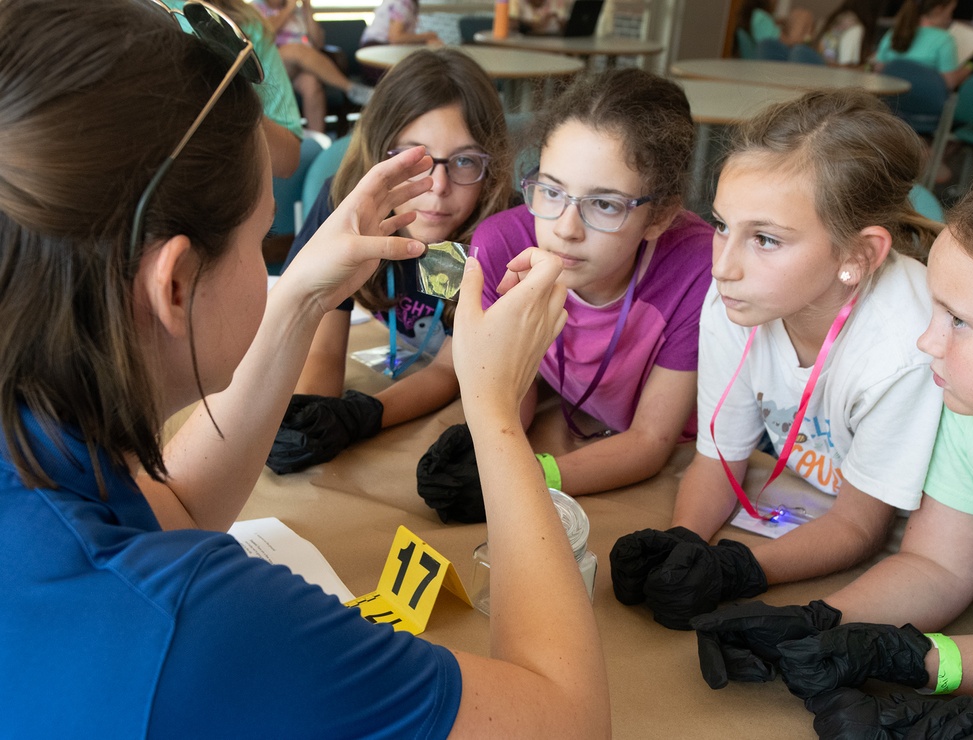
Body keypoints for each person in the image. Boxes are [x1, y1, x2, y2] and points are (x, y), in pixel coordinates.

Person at [0, 1, 612, 735]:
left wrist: (299, 296)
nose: (273, 265)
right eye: (265, 239)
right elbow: (567, 720)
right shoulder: (205, 622)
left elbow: (178, 516)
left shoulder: (37, 442)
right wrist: (494, 411)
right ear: (174, 285)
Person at [609, 89, 944, 631]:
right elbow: (718, 461)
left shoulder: (906, 347)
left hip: (896, 540)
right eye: (722, 225)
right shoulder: (736, 301)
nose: (723, 268)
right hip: (814, 505)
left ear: (859, 256)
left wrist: (737, 570)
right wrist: (683, 545)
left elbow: (862, 528)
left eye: (764, 239)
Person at [690, 169, 973, 739]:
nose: (927, 341)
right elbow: (939, 567)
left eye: (957, 320)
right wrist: (821, 623)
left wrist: (923, 662)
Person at [414, 67, 713, 513]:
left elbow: (652, 439)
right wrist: (492, 457)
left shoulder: (697, 268)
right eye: (552, 193)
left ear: (660, 216)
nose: (566, 230)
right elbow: (516, 390)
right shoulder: (501, 243)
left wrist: (532, 477)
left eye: (605, 204)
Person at [266, 48, 512, 474]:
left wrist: (361, 416)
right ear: (380, 153)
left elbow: (448, 372)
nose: (437, 187)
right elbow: (323, 345)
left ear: (491, 166)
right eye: (414, 158)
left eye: (465, 160)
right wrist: (313, 414)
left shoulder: (496, 237)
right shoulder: (344, 205)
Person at [166, 0, 302, 177]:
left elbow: (288, 158)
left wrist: (231, 99)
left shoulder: (245, 24)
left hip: (222, 185)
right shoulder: (132, 12)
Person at [254, 0, 374, 131]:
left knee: (311, 84)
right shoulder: (255, 8)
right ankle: (350, 88)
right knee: (296, 50)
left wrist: (307, 8)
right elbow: (265, 33)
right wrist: (287, 10)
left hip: (299, 68)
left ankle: (317, 139)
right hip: (269, 66)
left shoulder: (298, 11)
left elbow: (318, 43)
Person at [875, 0, 973, 89]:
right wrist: (970, 67)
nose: (950, 17)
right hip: (926, 104)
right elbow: (950, 83)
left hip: (890, 101)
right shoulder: (945, 40)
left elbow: (878, 69)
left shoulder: (893, 33)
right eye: (951, 11)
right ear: (938, 10)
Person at [814, 0, 885, 66]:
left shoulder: (835, 18)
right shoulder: (855, 27)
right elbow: (847, 64)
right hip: (834, 70)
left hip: (818, 67)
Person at [737, 0, 815, 48]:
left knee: (801, 15)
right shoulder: (760, 18)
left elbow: (777, 20)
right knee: (805, 15)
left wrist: (786, 21)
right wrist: (806, 39)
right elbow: (787, 42)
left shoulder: (757, 15)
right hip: (770, 55)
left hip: (767, 52)